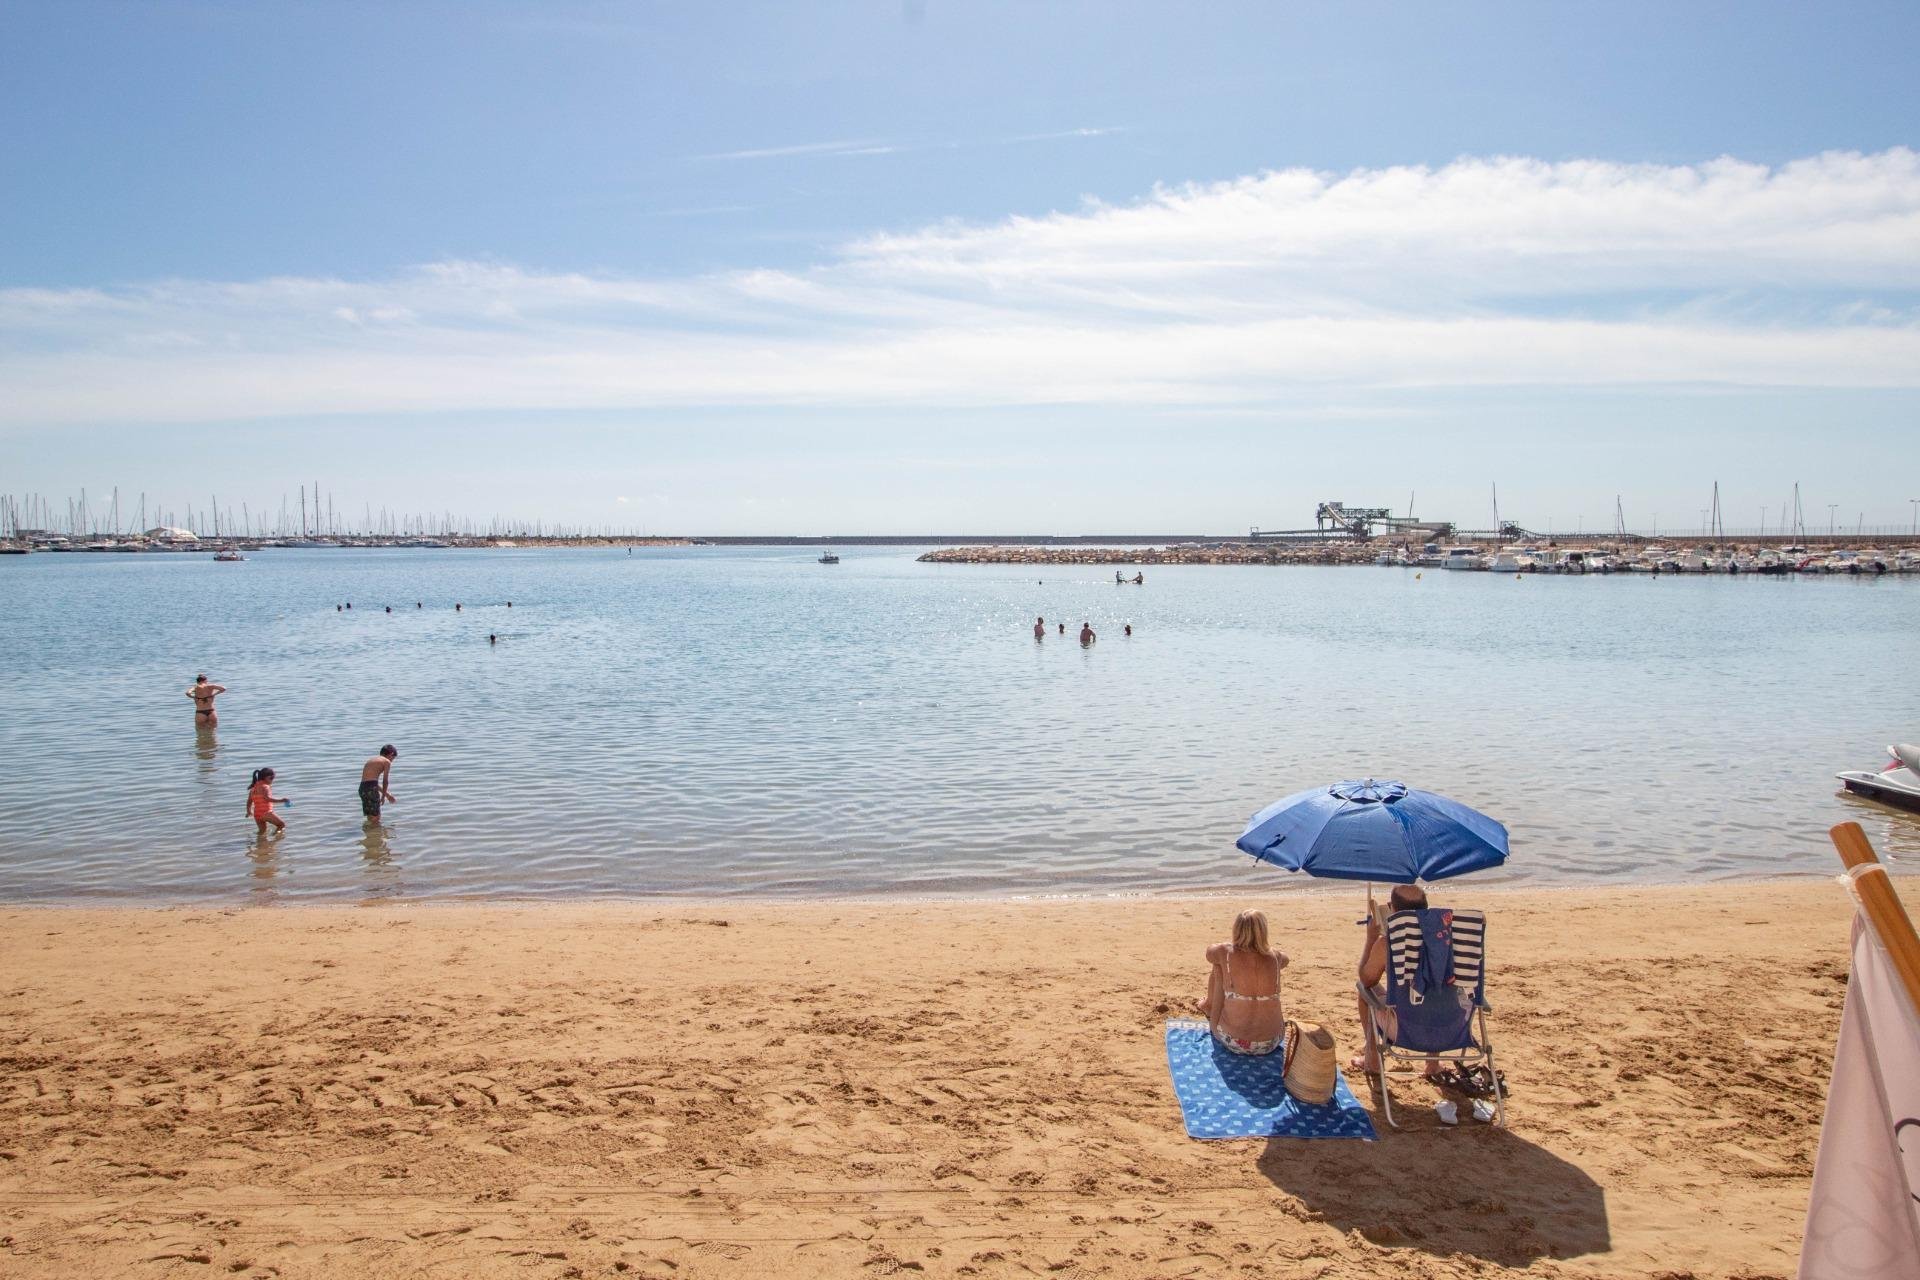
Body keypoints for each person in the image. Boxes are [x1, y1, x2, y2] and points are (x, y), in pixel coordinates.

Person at [1353, 883, 1452, 1078]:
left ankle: (1372, 1060)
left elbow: (1366, 980)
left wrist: (1371, 938)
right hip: (1448, 1026)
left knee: (1364, 993)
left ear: (1392, 910)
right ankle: (1433, 1065)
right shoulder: (1448, 938)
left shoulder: (1388, 943)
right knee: (1436, 994)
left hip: (1407, 1030)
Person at [1201, 909, 1288, 1055]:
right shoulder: (1276, 956)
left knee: (1219, 965)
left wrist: (1229, 948)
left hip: (1235, 1041)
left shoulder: (1225, 952)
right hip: (1272, 1041)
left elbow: (1209, 954)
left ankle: (1208, 1005)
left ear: (1237, 929)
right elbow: (1286, 960)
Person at [359, 745, 399, 822]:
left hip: (362, 789)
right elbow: (385, 781)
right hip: (371, 789)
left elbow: (372, 782)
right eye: (393, 759)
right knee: (376, 817)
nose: (392, 761)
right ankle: (374, 832)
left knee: (371, 816)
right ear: (391, 754)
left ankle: (370, 833)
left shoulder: (372, 760)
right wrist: (383, 797)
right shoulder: (386, 762)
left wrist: (387, 795)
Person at [246, 767, 287, 834]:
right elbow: (267, 798)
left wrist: (249, 812)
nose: (272, 781)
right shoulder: (265, 787)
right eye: (271, 778)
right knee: (281, 825)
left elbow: (249, 802)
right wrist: (282, 800)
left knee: (262, 832)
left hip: (257, 814)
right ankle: (275, 840)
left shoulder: (253, 789)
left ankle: (261, 843)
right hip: (266, 813)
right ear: (266, 777)